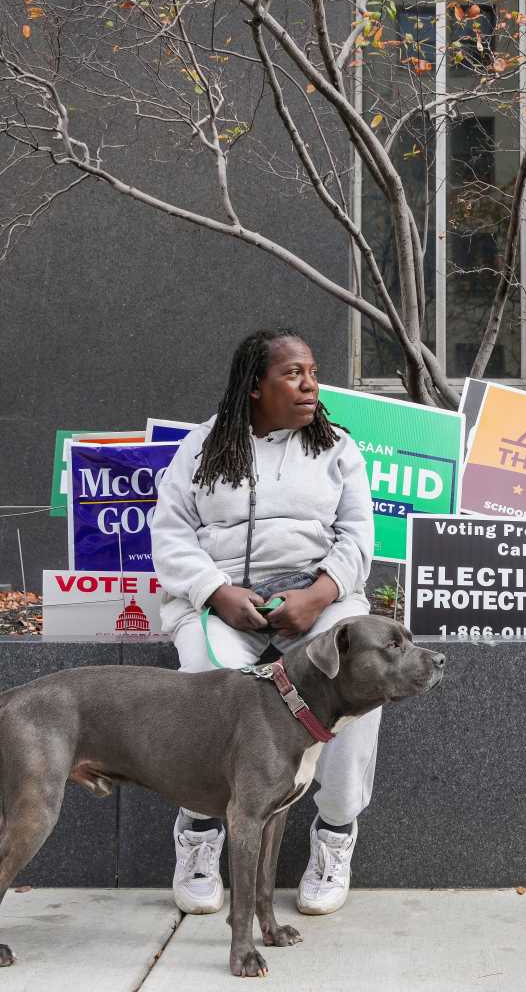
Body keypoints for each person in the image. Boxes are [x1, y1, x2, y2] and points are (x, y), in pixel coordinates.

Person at [152, 328, 377, 919]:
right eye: (294, 374)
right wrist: (217, 591)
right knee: (207, 675)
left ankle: (334, 835)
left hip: (317, 601)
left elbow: (358, 539)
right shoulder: (201, 447)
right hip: (227, 602)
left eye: (312, 372)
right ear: (256, 386)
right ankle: (200, 835)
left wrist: (318, 594)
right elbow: (170, 533)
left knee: (358, 677)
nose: (310, 385)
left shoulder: (338, 449)